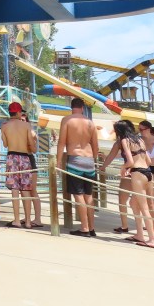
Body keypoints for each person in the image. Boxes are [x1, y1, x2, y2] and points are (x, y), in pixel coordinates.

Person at [56, 97, 98, 237]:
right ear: (82, 108)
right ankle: (91, 227)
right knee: (88, 195)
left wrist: (58, 161)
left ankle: (84, 227)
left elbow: (61, 142)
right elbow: (95, 145)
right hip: (89, 160)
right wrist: (94, 159)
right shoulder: (90, 123)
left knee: (78, 195)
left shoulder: (67, 120)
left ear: (71, 106)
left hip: (75, 159)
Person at [112, 120, 154, 248]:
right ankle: (139, 235)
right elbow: (149, 161)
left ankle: (152, 239)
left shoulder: (125, 141)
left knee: (144, 208)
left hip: (138, 174)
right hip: (148, 173)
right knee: (134, 204)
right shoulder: (140, 140)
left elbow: (130, 161)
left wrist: (123, 168)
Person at [1, 102, 36, 228]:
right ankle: (28, 221)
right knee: (26, 189)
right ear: (18, 112)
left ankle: (16, 220)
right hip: (25, 157)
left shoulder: (4, 126)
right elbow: (31, 144)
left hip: (12, 157)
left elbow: (5, 144)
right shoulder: (26, 125)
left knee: (15, 189)